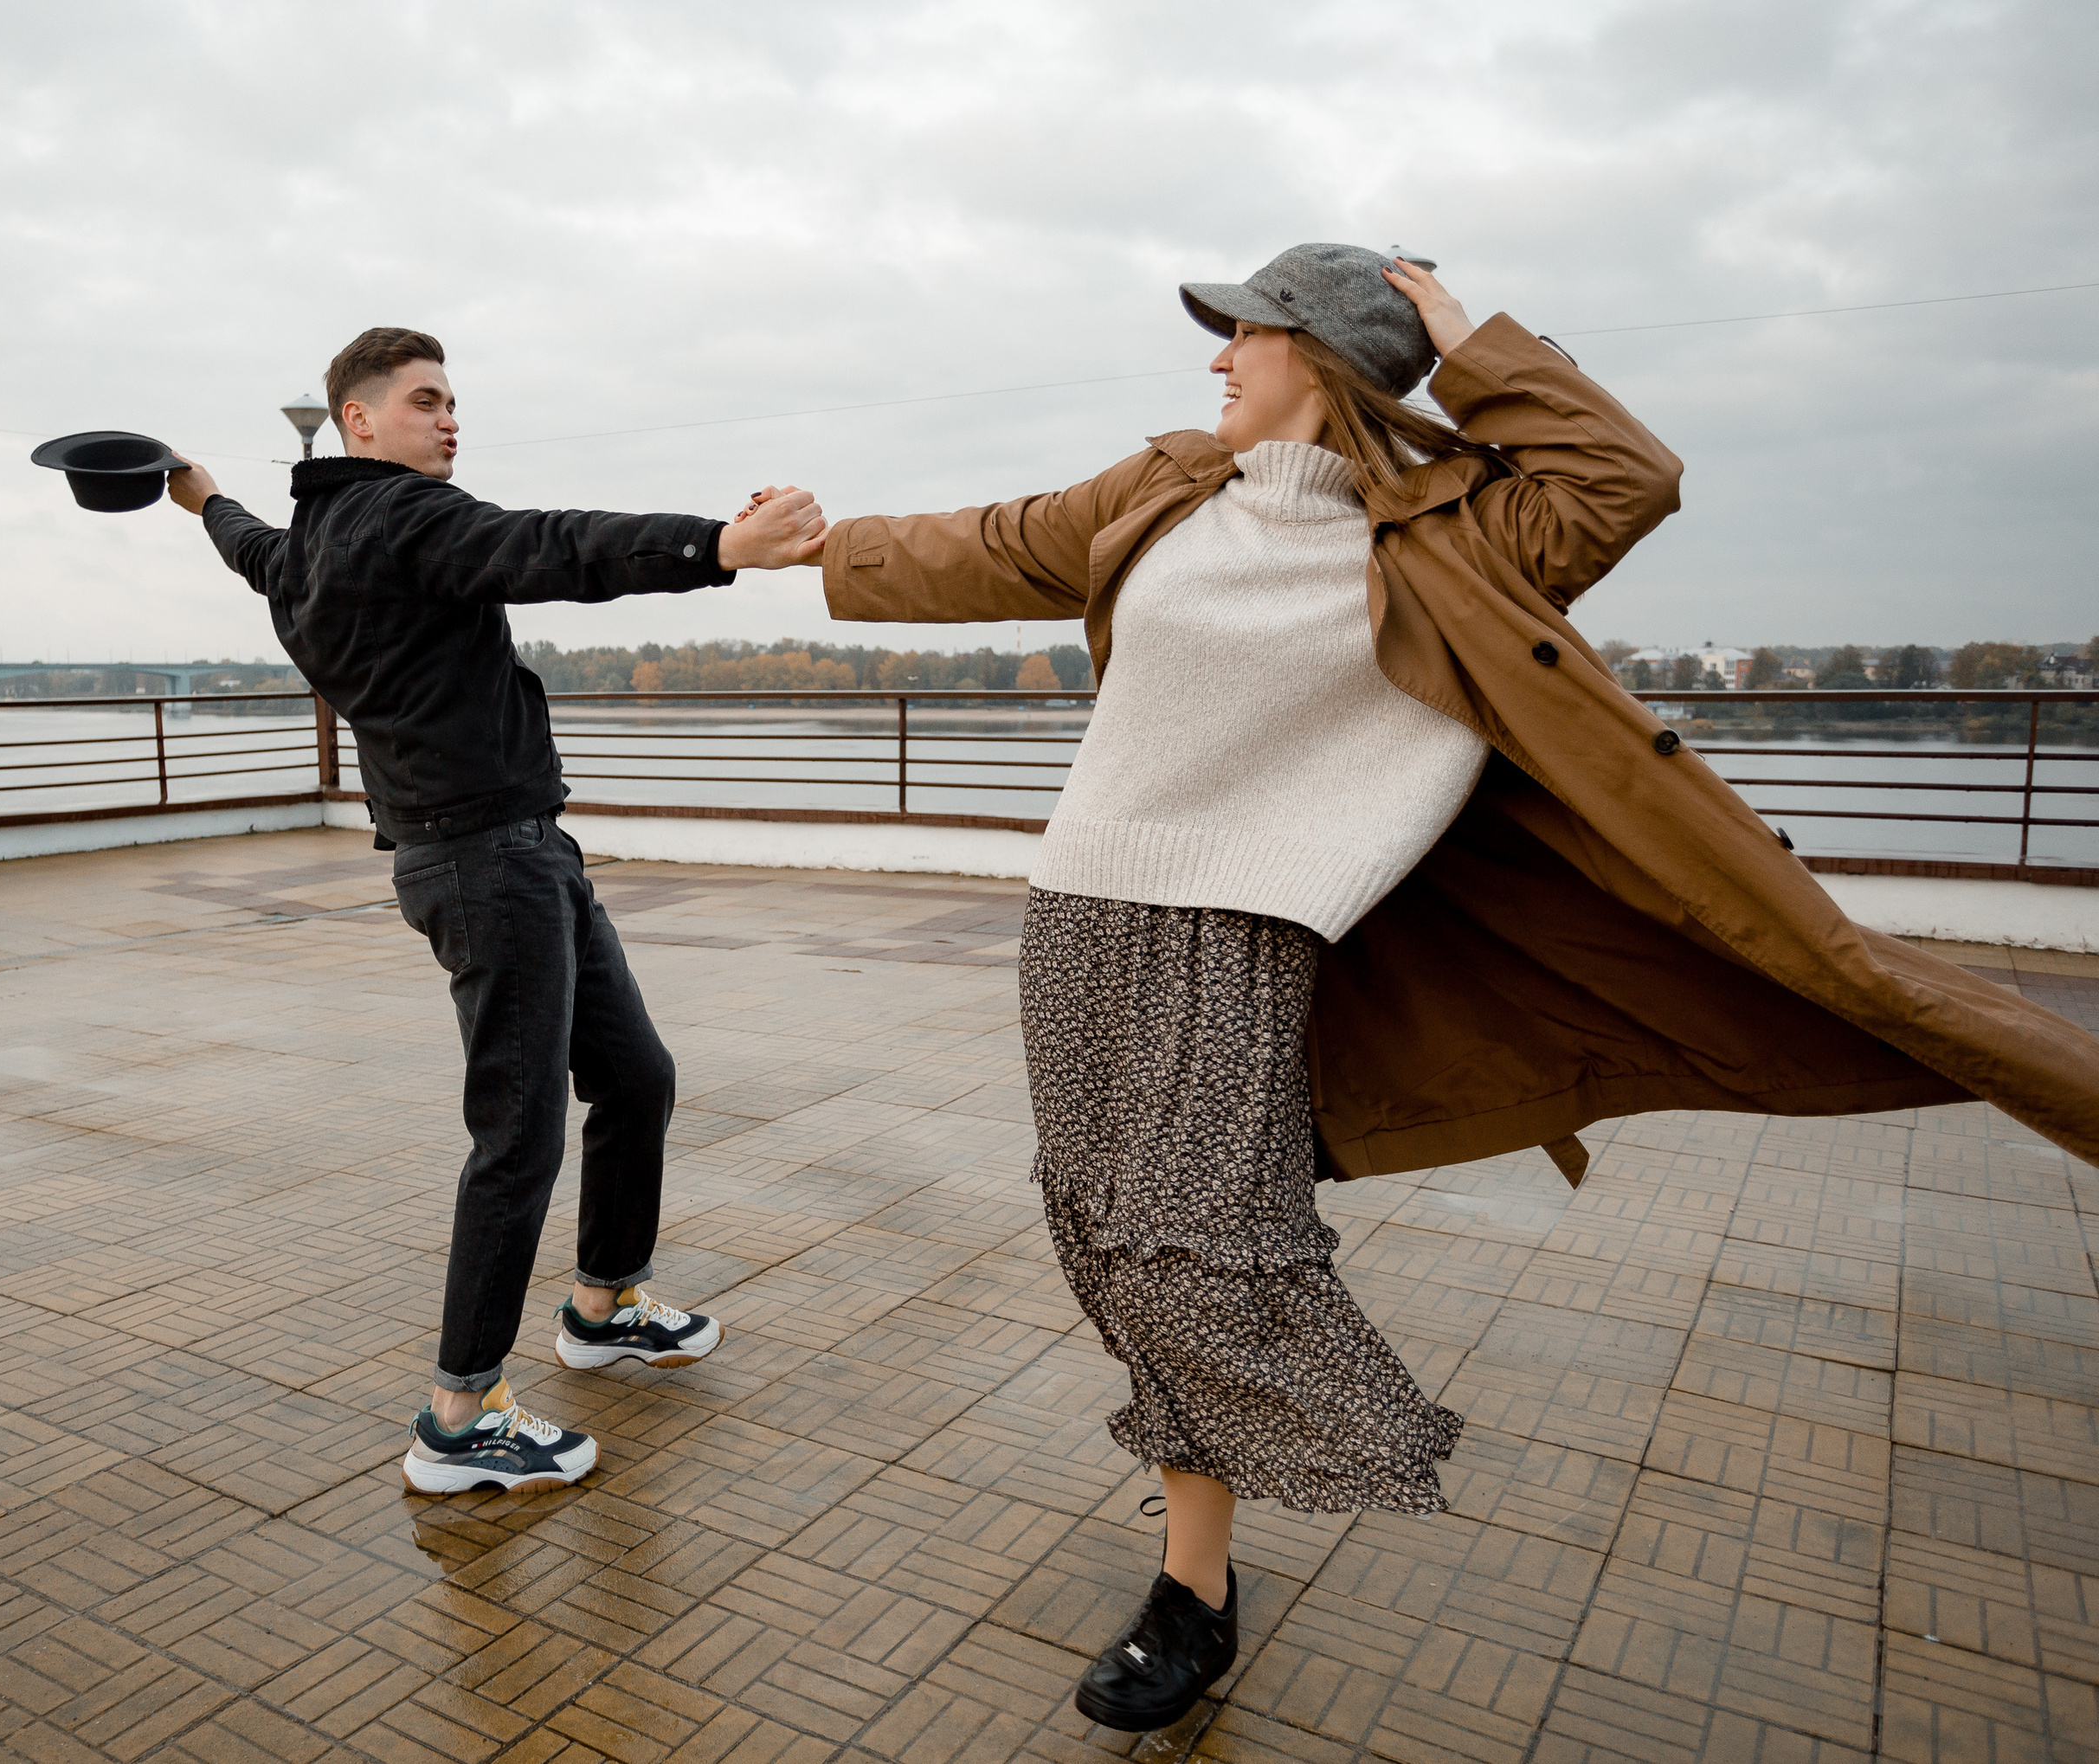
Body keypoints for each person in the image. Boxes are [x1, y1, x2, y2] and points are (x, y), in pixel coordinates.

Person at [802, 245, 2099, 1734]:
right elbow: (991, 542)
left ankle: (1200, 1579)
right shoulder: (1164, 486)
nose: (1218, 359)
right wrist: (806, 547)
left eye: (1247, 332)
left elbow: (1627, 474)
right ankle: (1200, 1570)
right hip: (1083, 918)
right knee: (1109, 1236)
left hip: (1251, 937)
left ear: (1325, 355)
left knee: (1196, 1248)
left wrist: (1463, 330)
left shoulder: (1469, 531)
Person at [168, 326, 826, 1497]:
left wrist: (199, 494)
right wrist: (718, 546)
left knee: (635, 1076)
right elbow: (549, 546)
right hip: (485, 863)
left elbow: (250, 548)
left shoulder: (315, 543)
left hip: (514, 850)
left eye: (454, 400)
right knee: (516, 1137)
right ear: (358, 420)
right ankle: (458, 1417)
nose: (450, 418)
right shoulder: (407, 522)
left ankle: (603, 1302)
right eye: (425, 401)